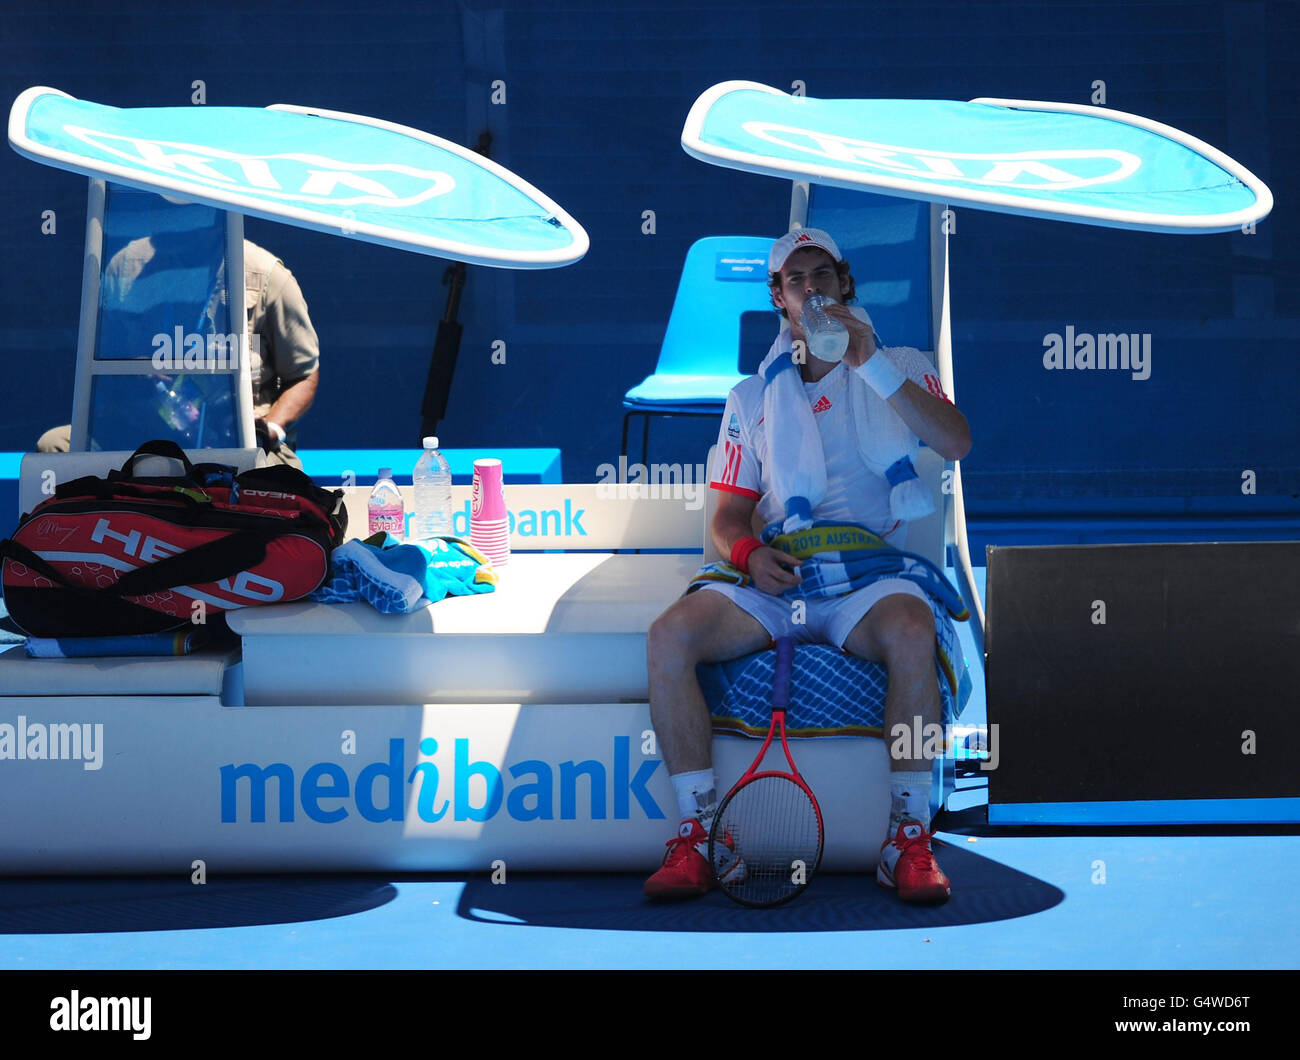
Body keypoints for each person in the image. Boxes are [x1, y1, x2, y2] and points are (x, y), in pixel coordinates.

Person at [643, 228, 972, 904]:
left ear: (845, 284)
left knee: (913, 629)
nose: (814, 287)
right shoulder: (749, 397)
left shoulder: (903, 362)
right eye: (799, 279)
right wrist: (751, 556)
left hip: (869, 578)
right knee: (669, 634)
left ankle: (908, 837)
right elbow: (727, 519)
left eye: (825, 274)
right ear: (779, 297)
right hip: (781, 576)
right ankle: (697, 835)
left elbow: (955, 441)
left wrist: (869, 360)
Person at [36, 240, 319, 469]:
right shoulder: (124, 265)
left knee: (282, 478)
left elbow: (304, 374)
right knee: (55, 446)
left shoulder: (267, 275)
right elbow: (104, 355)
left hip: (236, 439)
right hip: (140, 430)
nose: (175, 228)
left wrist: (270, 429)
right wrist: (132, 371)